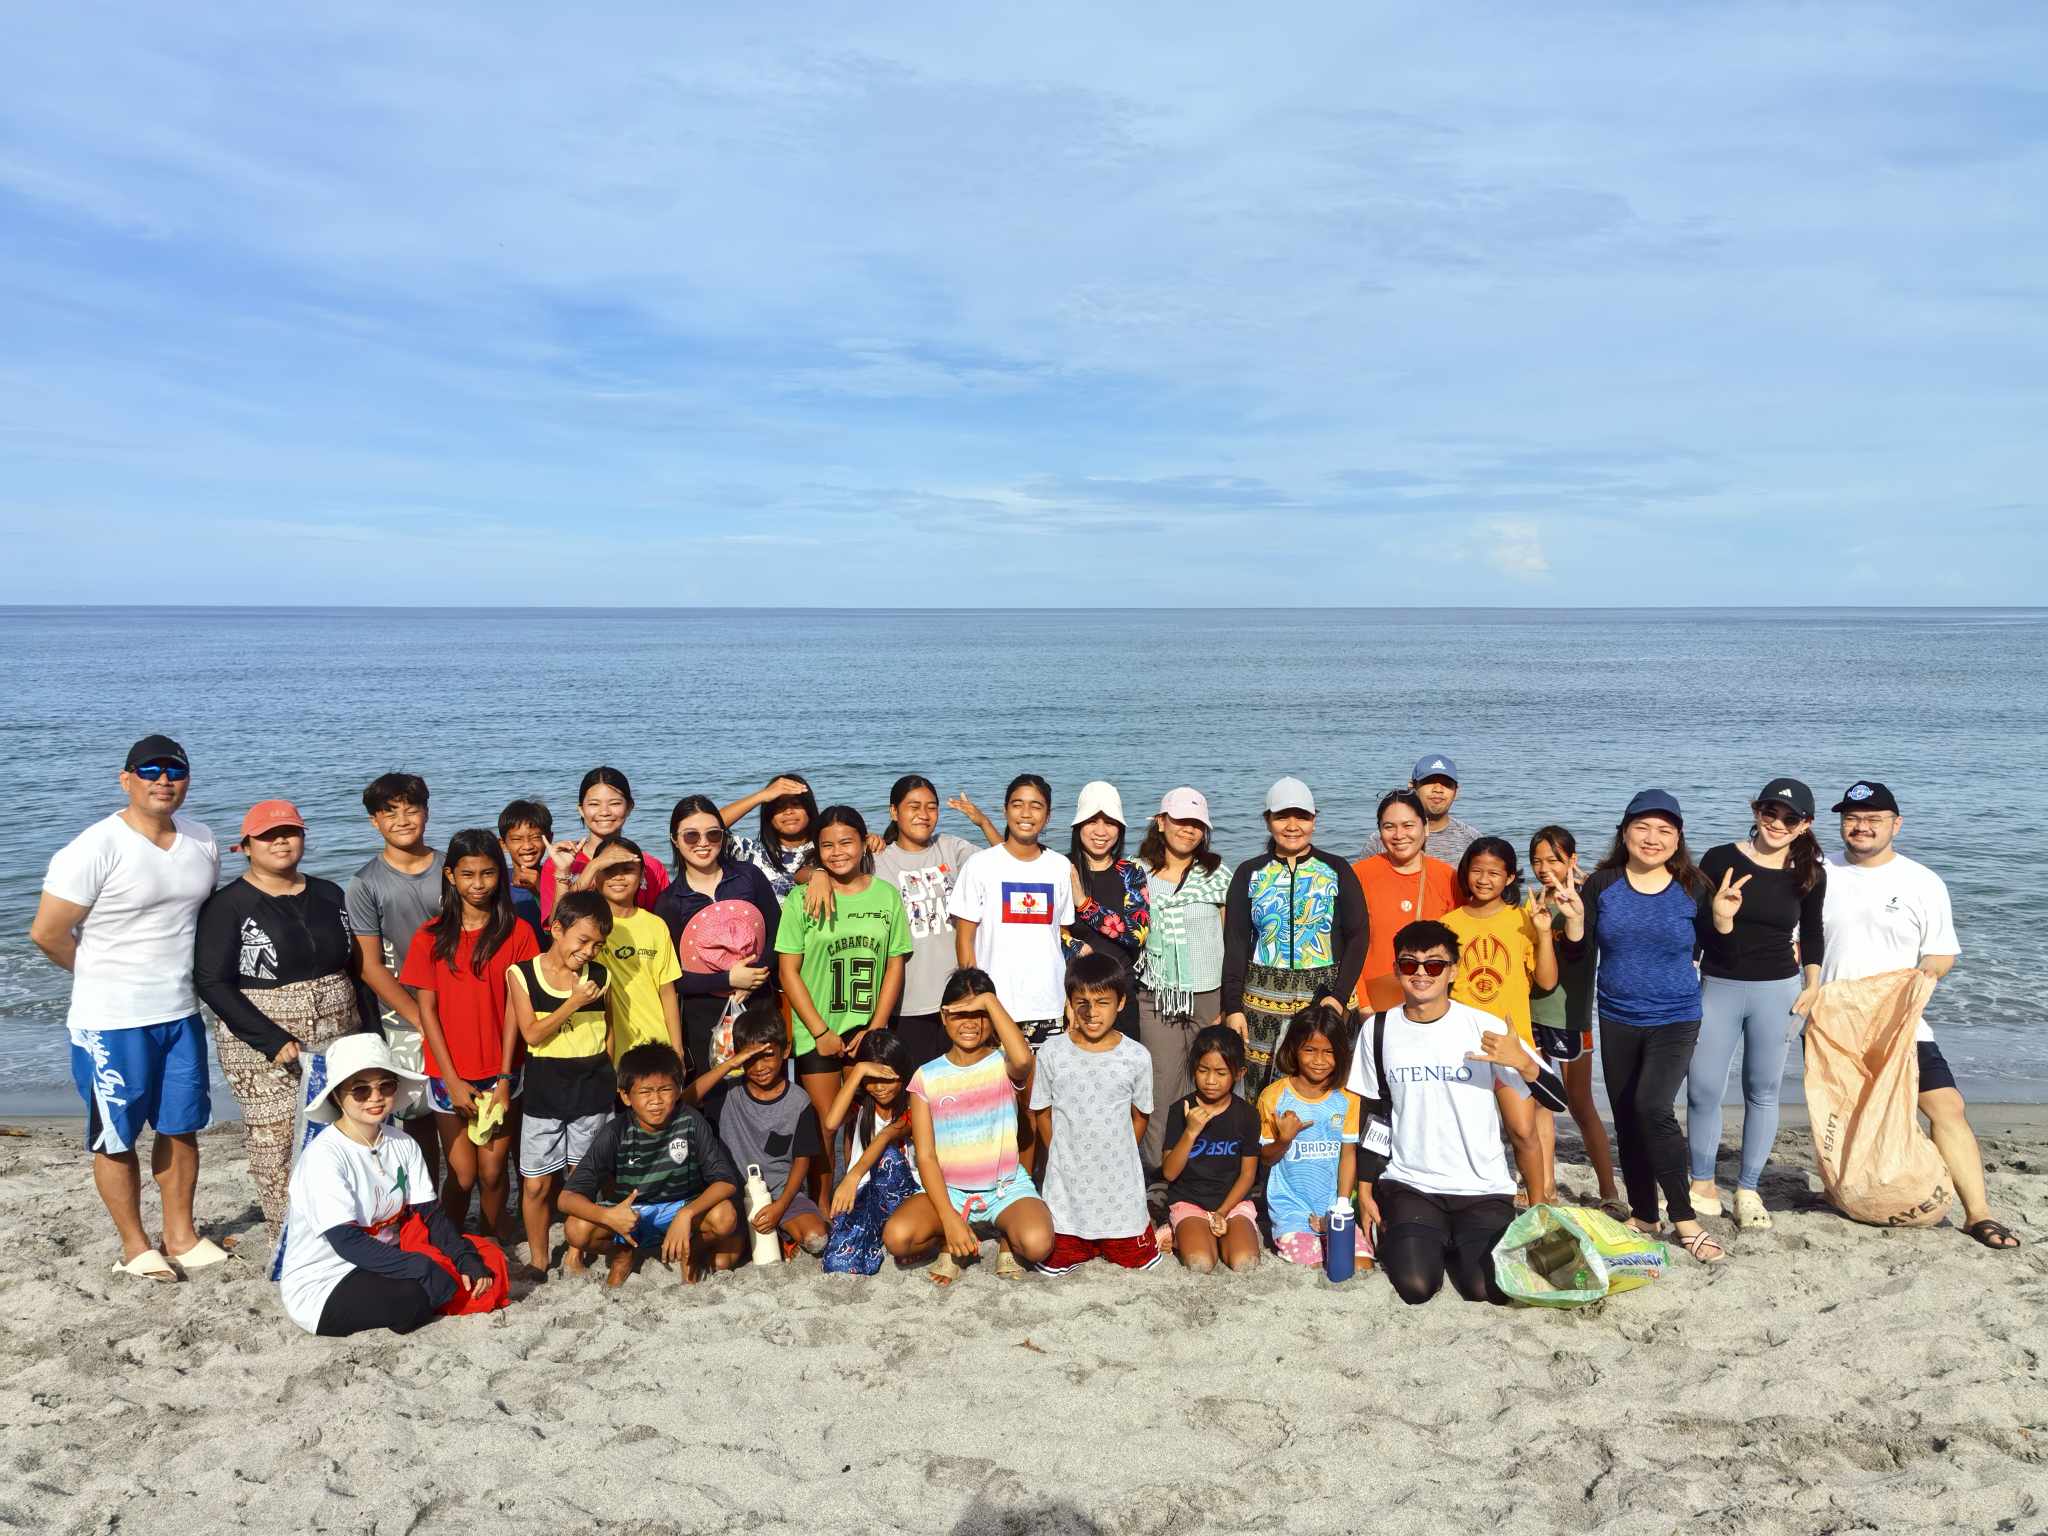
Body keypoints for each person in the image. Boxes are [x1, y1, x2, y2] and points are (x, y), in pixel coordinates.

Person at [30, 734, 228, 1280]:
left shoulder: (201, 840)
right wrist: (103, 975)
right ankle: (134, 1245)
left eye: (175, 770)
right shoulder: (94, 846)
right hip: (111, 1019)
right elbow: (48, 932)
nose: (164, 779)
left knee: (180, 1126)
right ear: (127, 779)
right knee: (115, 1134)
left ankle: (182, 1235)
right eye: (150, 770)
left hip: (180, 1012)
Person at [1818, 781, 2017, 1250]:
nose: (1861, 827)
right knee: (1844, 1115)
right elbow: (1789, 941)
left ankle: (1978, 1214)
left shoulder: (1921, 881)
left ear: (1895, 824)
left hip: (1900, 1022)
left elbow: (1943, 954)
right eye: (1852, 818)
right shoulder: (1818, 873)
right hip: (1833, 1023)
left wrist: (1921, 977)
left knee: (1945, 1105)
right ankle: (1852, 1193)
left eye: (1873, 819)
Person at [1555, 790, 1726, 1263]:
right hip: (1617, 1016)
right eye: (1643, 828)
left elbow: (1718, 948)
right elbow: (1578, 952)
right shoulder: (1602, 884)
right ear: (1625, 832)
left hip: (1675, 1016)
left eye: (1665, 830)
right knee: (1627, 1115)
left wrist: (1726, 920)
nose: (1653, 839)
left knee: (1653, 1107)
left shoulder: (1694, 886)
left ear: (1678, 838)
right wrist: (1572, 920)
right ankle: (1645, 1214)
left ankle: (1684, 1218)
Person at [193, 798, 370, 1235]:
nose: (281, 841)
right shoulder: (227, 906)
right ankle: (287, 1234)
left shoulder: (329, 894)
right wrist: (271, 1039)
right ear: (246, 846)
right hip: (261, 1044)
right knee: (275, 1140)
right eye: (268, 835)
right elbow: (212, 982)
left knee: (341, 1131)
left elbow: (356, 970)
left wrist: (370, 1035)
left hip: (338, 1032)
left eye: (289, 832)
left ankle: (346, 1228)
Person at [1350, 921, 1546, 1306]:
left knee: (1484, 1289)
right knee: (1416, 1287)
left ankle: (1463, 1241)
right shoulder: (1378, 1029)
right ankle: (1428, 1238)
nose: (1421, 973)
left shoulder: (1482, 1027)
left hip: (1482, 1188)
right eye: (1410, 965)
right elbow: (1374, 1114)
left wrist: (1523, 1063)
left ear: (1454, 970)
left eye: (1435, 965)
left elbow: (1555, 1099)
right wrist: (1366, 1186)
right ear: (1397, 969)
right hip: (1411, 1184)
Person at [277, 1034, 505, 1335]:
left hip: (389, 1258)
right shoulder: (324, 1156)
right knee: (412, 1296)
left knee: (487, 1262)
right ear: (336, 1096)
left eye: (385, 1086)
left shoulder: (402, 1142)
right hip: (328, 1276)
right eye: (360, 1090)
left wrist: (464, 1258)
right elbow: (346, 1242)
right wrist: (420, 1267)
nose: (375, 1097)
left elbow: (430, 1214)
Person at [1685, 778, 1826, 1229]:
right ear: (1755, 811)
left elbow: (1814, 932)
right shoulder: (1720, 858)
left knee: (1762, 1090)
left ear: (1805, 825)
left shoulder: (1809, 872)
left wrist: (1813, 983)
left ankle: (1748, 1189)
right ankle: (1702, 1183)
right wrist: (1721, 920)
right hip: (1720, 984)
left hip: (1779, 991)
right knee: (1703, 1087)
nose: (1777, 823)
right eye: (1770, 812)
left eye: (1790, 818)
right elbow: (1698, 930)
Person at [400, 829, 539, 1234]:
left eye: (488, 874)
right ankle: (450, 1239)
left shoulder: (518, 934)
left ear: (501, 875)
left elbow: (517, 1007)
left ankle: (494, 1241)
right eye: (467, 874)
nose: (478, 884)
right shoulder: (430, 935)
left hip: (501, 1073)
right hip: (448, 1074)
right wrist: (452, 1080)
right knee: (461, 1175)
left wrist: (504, 1077)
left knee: (494, 1173)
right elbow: (427, 1010)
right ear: (450, 876)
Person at [884, 969, 1056, 1283]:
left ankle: (1004, 1235)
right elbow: (925, 1156)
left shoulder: (1003, 1063)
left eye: (980, 1014)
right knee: (897, 1238)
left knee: (1037, 1244)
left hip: (1004, 1190)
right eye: (961, 1014)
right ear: (943, 1016)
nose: (971, 1023)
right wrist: (949, 1219)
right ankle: (950, 1240)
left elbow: (1024, 1060)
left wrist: (989, 1000)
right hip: (948, 1192)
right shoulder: (927, 1075)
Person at [775, 805, 911, 1196]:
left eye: (846, 842)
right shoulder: (802, 899)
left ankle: (863, 1197)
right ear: (817, 850)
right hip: (817, 1031)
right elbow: (789, 972)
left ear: (863, 842)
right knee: (825, 1124)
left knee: (865, 1121)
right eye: (827, 845)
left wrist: (876, 1026)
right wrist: (820, 1031)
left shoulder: (885, 896)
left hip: (868, 1026)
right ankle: (823, 1203)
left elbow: (894, 966)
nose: (837, 852)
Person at [1221, 777, 1367, 1100]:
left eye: (1301, 816)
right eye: (1281, 816)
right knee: (1263, 1089)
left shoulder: (1337, 869)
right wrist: (1233, 1007)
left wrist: (1339, 996)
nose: (1292, 825)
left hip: (1325, 994)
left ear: (1314, 820)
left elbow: (1359, 935)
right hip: (1262, 996)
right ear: (1267, 820)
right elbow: (1235, 943)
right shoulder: (1249, 873)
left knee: (1329, 1084)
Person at [559, 1042, 744, 1285]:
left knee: (725, 1217)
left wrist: (687, 1214)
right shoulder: (616, 1132)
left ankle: (691, 1251)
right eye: (645, 1092)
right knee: (575, 1230)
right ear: (626, 1096)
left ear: (678, 1090)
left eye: (665, 1089)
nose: (656, 1100)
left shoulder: (690, 1121)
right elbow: (566, 1198)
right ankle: (623, 1254)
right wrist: (608, 1215)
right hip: (632, 1214)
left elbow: (726, 1181)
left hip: (681, 1206)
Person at [507, 890, 614, 1280]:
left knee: (581, 1180)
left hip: (593, 1089)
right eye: (582, 941)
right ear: (556, 929)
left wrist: (611, 1074)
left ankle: (574, 1253)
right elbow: (532, 1035)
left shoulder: (601, 975)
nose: (589, 951)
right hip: (545, 1090)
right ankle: (538, 1258)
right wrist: (571, 1003)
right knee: (535, 1185)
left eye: (598, 944)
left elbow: (610, 1030)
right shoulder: (521, 974)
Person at [1442, 837, 1555, 1202]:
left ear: (1509, 878)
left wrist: (1541, 932)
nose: (1484, 879)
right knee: (1469, 1134)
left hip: (1512, 1045)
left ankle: (1539, 1203)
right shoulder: (1448, 924)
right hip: (1463, 1047)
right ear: (1465, 873)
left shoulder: (1522, 920)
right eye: (1476, 871)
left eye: (1494, 873)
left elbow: (1548, 981)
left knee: (1522, 1131)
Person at [1031, 954, 1159, 1273]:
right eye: (1082, 1002)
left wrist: (1119, 1150)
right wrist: (1060, 1152)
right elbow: (1042, 1113)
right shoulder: (1052, 1053)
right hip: (1067, 1193)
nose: (1091, 1013)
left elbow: (1141, 1116)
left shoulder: (1137, 1057)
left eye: (1102, 1002)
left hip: (1120, 1193)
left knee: (1136, 1261)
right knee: (1056, 1259)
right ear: (1071, 1003)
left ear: (1120, 1003)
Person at [345, 771, 443, 1182]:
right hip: (403, 1017)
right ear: (374, 821)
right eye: (390, 812)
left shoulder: (451, 870)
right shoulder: (365, 884)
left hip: (460, 1008)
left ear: (426, 812)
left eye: (412, 809)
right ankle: (426, 1199)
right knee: (416, 1115)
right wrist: (419, 1018)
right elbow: (370, 965)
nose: (403, 820)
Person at [865, 776, 998, 1065]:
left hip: (959, 998)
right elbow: (824, 864)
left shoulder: (950, 848)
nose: (924, 815)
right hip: (908, 1002)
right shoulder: (878, 858)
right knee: (918, 1089)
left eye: (931, 807)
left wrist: (983, 822)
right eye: (914, 806)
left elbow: (1005, 863)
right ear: (893, 812)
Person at [1133, 788, 1232, 1173]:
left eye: (1196, 825)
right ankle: (1157, 1166)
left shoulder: (1217, 874)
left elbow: (1231, 937)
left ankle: (1209, 1165)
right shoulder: (1135, 872)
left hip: (1207, 991)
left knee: (1209, 1076)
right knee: (1161, 1082)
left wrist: (1229, 1003)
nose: (1188, 831)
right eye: (1180, 821)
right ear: (1161, 822)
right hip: (1156, 993)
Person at [652, 793, 781, 1078]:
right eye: (690, 836)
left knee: (767, 1090)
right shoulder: (670, 902)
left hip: (759, 1006)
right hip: (704, 1018)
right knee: (717, 1102)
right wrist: (728, 980)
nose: (703, 843)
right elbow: (673, 978)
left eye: (713, 834)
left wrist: (758, 972)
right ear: (674, 839)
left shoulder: (748, 877)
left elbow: (779, 933)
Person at [1527, 826, 1622, 1212]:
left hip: (1570, 1016)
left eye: (1553, 859)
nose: (1544, 867)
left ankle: (1609, 1190)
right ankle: (1545, 1186)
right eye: (1537, 860)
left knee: (1580, 1103)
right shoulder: (1532, 903)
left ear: (1572, 860)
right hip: (1531, 1012)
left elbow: (1583, 953)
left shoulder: (1588, 901)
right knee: (1539, 1103)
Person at [950, 775, 1077, 1049]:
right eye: (1018, 804)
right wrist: (974, 998)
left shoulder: (1059, 867)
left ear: (1048, 815)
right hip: (995, 1006)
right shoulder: (980, 865)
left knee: (1042, 1090)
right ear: (1005, 809)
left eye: (1036, 806)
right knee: (996, 1089)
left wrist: (1069, 999)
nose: (1026, 813)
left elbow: (1061, 938)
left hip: (1048, 1005)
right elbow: (964, 939)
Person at [707, 1002, 830, 1257]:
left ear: (785, 1051)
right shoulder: (728, 1092)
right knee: (723, 1261)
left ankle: (785, 1235)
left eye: (767, 1055)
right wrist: (729, 1066)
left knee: (817, 1238)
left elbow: (801, 1162)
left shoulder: (799, 1102)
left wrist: (779, 1207)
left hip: (783, 1196)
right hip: (735, 1196)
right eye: (750, 1057)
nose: (760, 1066)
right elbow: (683, 1101)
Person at [1257, 997, 1368, 1268]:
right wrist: (1284, 1139)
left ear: (1341, 1053)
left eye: (1328, 1052)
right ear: (1294, 1049)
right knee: (1314, 1264)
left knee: (1359, 1264)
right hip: (1292, 1211)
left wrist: (1340, 1208)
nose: (1319, 1060)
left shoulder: (1347, 1098)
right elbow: (1265, 1158)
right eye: (1310, 1050)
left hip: (1334, 1209)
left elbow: (1348, 1155)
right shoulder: (1274, 1096)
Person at [1159, 1024, 1261, 1274]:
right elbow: (1169, 1173)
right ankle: (1178, 1228)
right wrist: (1191, 1131)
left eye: (1221, 1072)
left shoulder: (1247, 1115)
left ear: (1239, 1073)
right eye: (1203, 1070)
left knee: (1245, 1261)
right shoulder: (1180, 1109)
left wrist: (1222, 1213)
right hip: (1190, 1201)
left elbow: (1248, 1175)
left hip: (1232, 1203)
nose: (1210, 1080)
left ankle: (1213, 1232)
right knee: (1201, 1262)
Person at [820, 1030, 923, 1275]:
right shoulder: (861, 1105)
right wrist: (857, 1073)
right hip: (864, 1196)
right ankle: (877, 1240)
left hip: (904, 1195)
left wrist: (852, 1175)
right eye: (872, 1079)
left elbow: (886, 1136)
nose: (880, 1087)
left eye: (888, 1078)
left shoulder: (913, 1105)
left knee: (887, 1156)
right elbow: (831, 1122)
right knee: (838, 1263)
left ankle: (900, 1238)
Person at [1351, 789, 1460, 1010]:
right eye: (1389, 826)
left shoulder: (1448, 878)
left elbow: (1462, 945)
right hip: (1373, 1001)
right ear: (1379, 832)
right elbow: (1347, 945)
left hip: (1432, 1001)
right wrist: (1364, 1006)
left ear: (1426, 827)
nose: (1399, 835)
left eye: (1408, 825)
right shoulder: (1359, 875)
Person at [1063, 781, 1150, 1042]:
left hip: (1120, 995)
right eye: (1092, 822)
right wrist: (1074, 946)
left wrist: (1084, 903)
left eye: (1110, 823)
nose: (1101, 831)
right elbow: (1043, 927)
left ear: (1120, 829)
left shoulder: (1130, 872)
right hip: (1072, 994)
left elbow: (1137, 934)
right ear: (1078, 826)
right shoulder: (1059, 868)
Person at [586, 835, 683, 1060]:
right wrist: (591, 867)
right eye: (608, 868)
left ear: (642, 876)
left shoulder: (656, 925)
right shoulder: (587, 925)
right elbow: (560, 923)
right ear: (595, 874)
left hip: (655, 1041)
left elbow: (667, 992)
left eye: (627, 869)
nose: (618, 877)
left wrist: (677, 1048)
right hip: (604, 1047)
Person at [540, 767, 670, 920]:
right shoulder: (560, 863)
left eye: (614, 803)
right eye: (594, 804)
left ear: (629, 807)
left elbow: (662, 924)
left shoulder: (650, 866)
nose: (604, 812)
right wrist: (578, 870)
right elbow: (556, 931)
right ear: (581, 809)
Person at [1357, 754, 1479, 864]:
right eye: (1429, 782)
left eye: (1446, 784)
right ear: (1412, 787)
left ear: (1456, 792)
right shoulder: (1384, 839)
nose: (1438, 789)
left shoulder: (1472, 840)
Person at [722, 772, 819, 900]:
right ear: (769, 815)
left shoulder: (827, 849)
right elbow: (704, 826)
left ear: (809, 809)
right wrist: (761, 796)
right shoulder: (750, 852)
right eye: (779, 807)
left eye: (796, 804)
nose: (789, 811)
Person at [497, 799, 553, 940]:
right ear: (503, 844)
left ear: (549, 838)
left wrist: (539, 888)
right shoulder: (497, 883)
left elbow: (565, 925)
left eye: (535, 837)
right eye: (517, 839)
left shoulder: (560, 879)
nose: (527, 846)